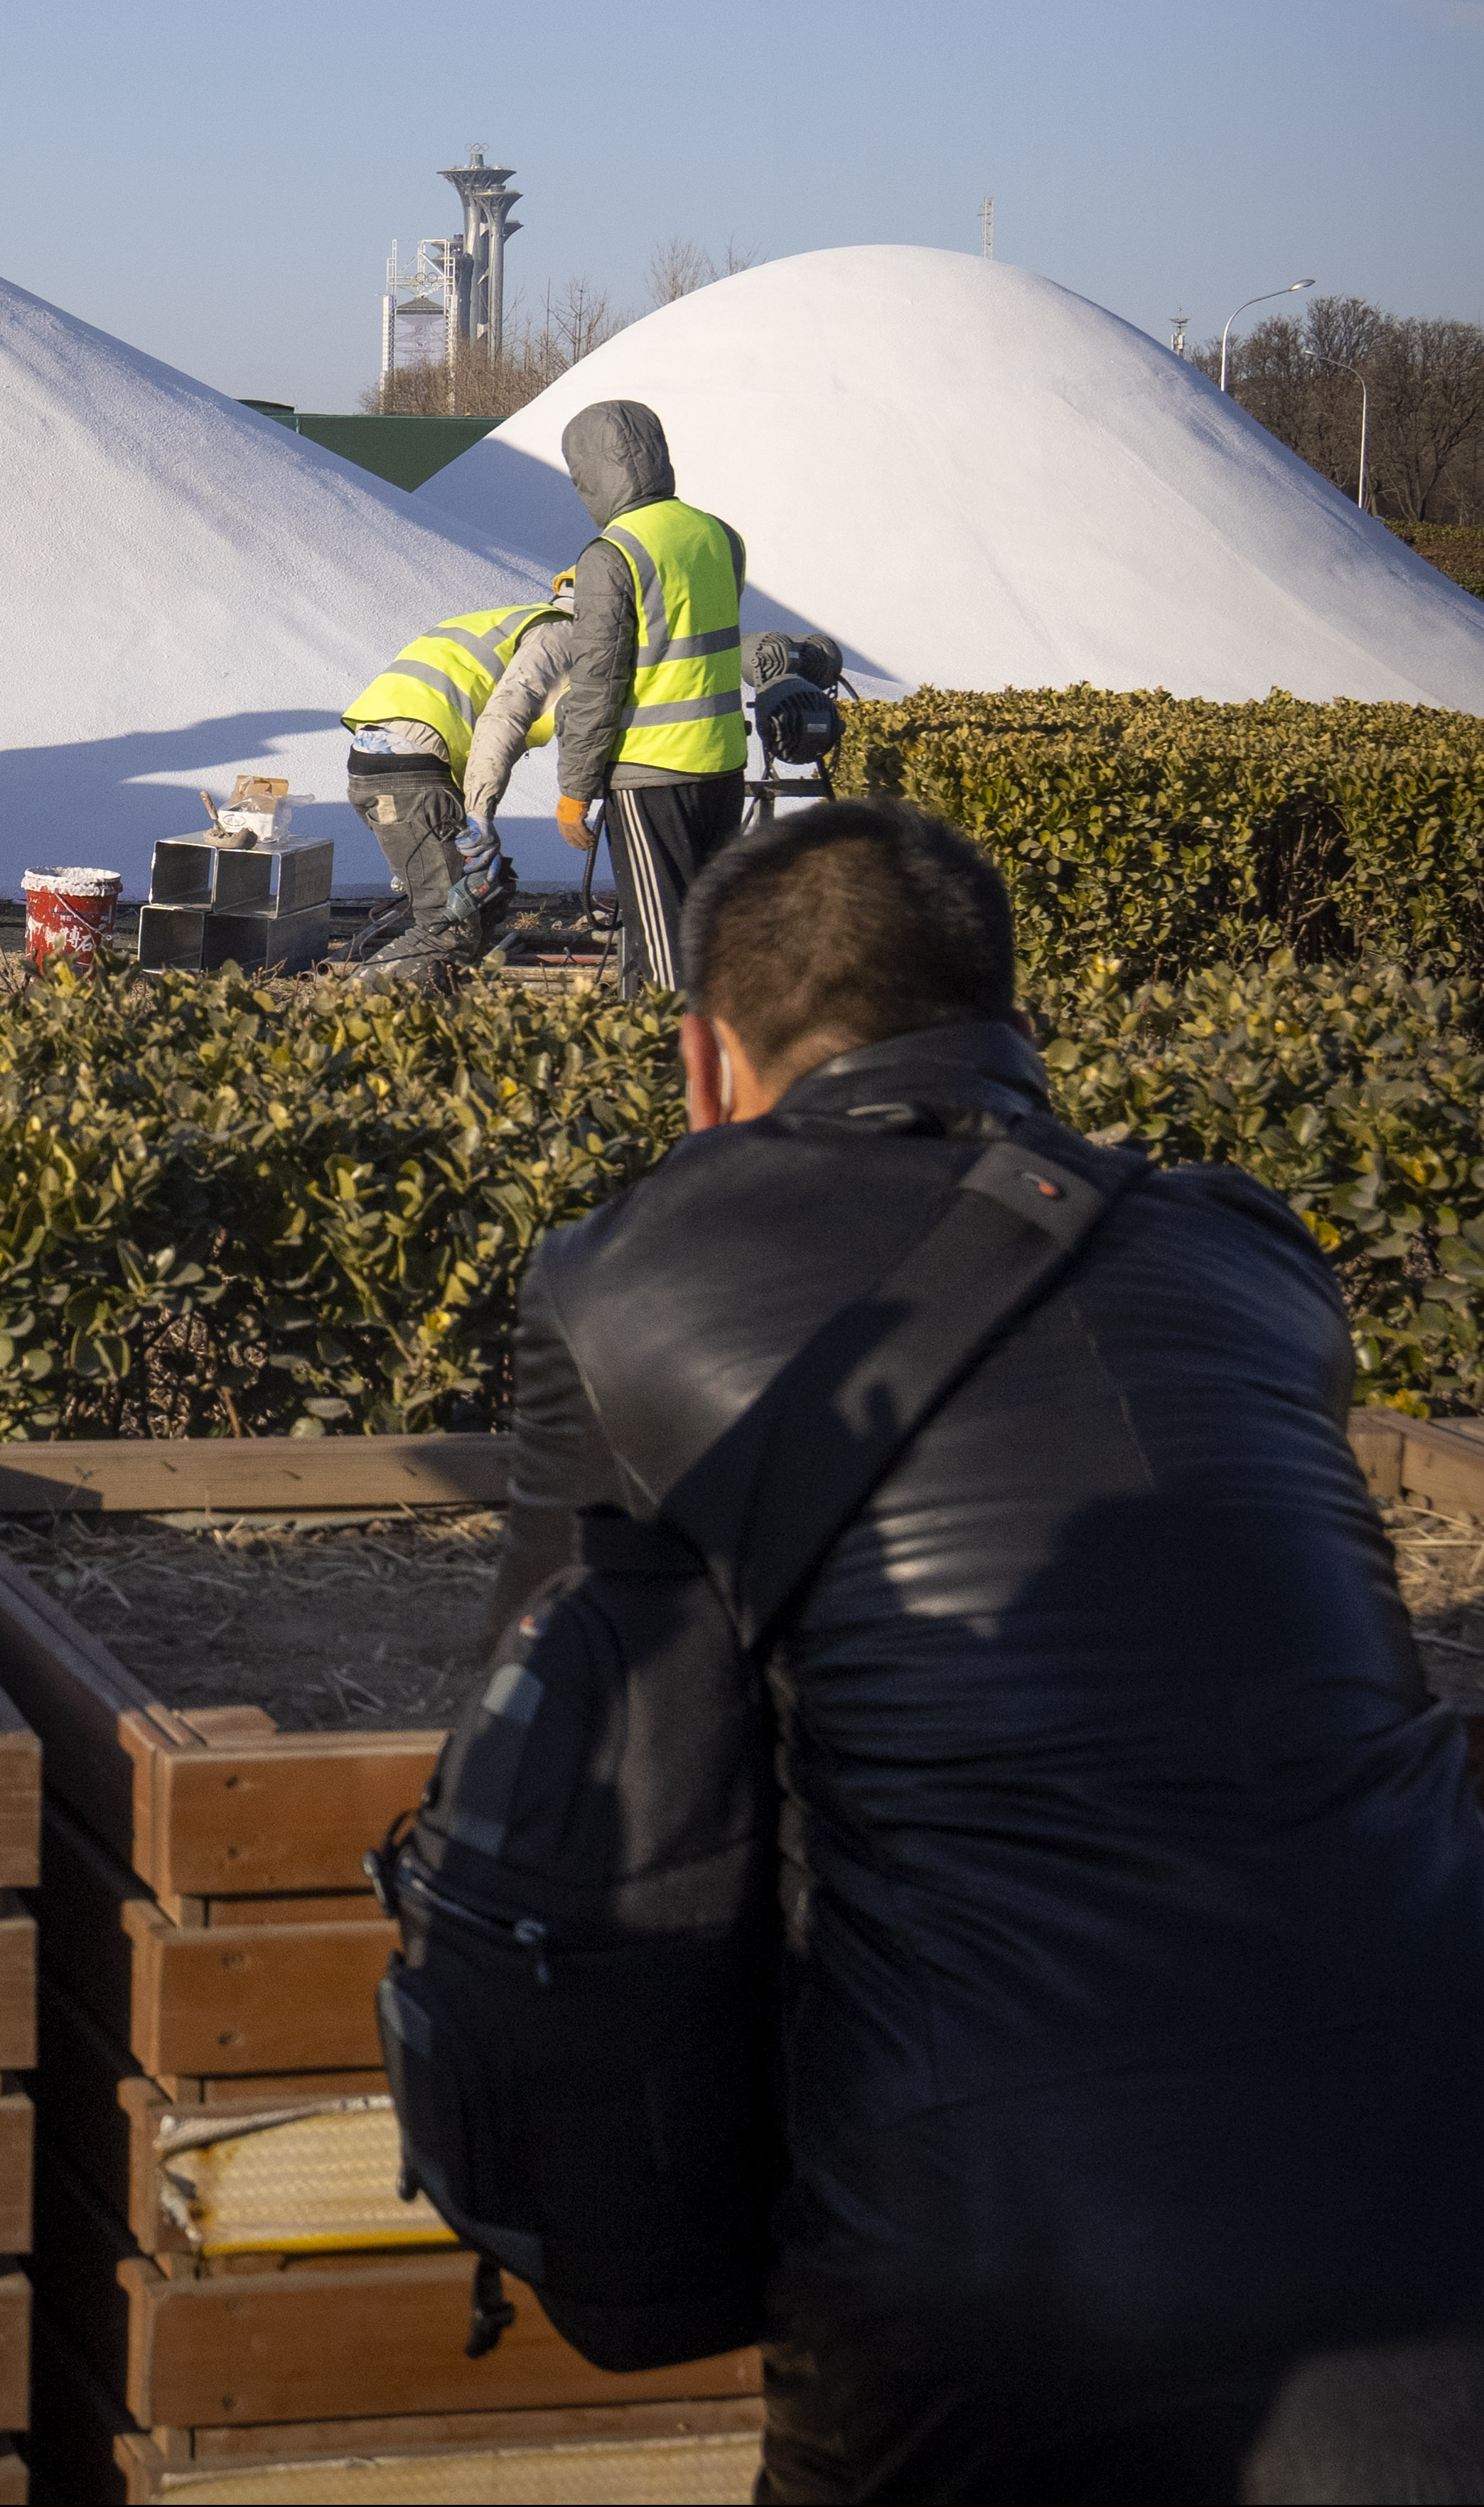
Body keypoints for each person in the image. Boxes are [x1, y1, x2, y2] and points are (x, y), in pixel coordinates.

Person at [487, 801, 1484, 2500]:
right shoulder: (1249, 1251)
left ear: (707, 1064)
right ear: (1022, 1039)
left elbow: (560, 1756)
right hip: (1443, 2142)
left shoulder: (618, 1282)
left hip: (984, 2227)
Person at [544, 399, 749, 990]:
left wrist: (575, 789)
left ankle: (665, 1069)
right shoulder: (719, 536)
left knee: (662, 952)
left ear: (591, 473)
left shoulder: (612, 557)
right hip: (723, 766)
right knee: (710, 933)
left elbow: (597, 683)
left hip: (650, 774)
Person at [334, 580, 571, 981]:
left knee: (488, 893)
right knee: (447, 932)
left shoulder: (513, 622)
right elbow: (501, 724)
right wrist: (479, 812)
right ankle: (344, 1012)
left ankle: (440, 1019)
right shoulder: (562, 636)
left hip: (384, 769)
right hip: (410, 779)